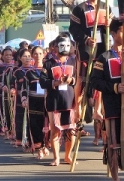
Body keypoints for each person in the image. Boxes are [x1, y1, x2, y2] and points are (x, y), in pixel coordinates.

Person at [90, 19, 124, 181]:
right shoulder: (103, 57)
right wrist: (114, 88)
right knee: (113, 145)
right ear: (113, 34)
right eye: (123, 31)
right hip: (113, 107)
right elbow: (95, 81)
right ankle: (115, 178)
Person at [69, 0, 112, 146]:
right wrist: (86, 39)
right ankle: (77, 113)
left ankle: (98, 112)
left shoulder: (105, 7)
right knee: (81, 79)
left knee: (101, 81)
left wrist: (110, 23)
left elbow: (114, 28)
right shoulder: (79, 9)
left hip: (102, 50)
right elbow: (74, 30)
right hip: (86, 51)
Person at [39, 35, 80, 166]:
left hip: (69, 100)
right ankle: (56, 157)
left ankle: (67, 155)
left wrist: (71, 80)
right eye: (62, 45)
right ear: (55, 47)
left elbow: (78, 80)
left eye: (68, 45)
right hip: (54, 101)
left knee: (71, 130)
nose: (65, 48)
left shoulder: (74, 61)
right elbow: (42, 82)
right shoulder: (48, 63)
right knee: (55, 130)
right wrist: (55, 82)